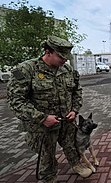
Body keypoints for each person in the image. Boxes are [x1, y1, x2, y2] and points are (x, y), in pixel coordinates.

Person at [7, 35, 93, 183]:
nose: (65, 60)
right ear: (48, 52)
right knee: (47, 155)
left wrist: (74, 110)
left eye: (67, 56)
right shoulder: (27, 70)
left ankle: (76, 165)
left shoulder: (67, 69)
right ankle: (49, 178)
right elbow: (16, 101)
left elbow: (76, 91)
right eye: (61, 56)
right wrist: (42, 118)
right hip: (43, 126)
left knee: (71, 146)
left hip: (67, 121)